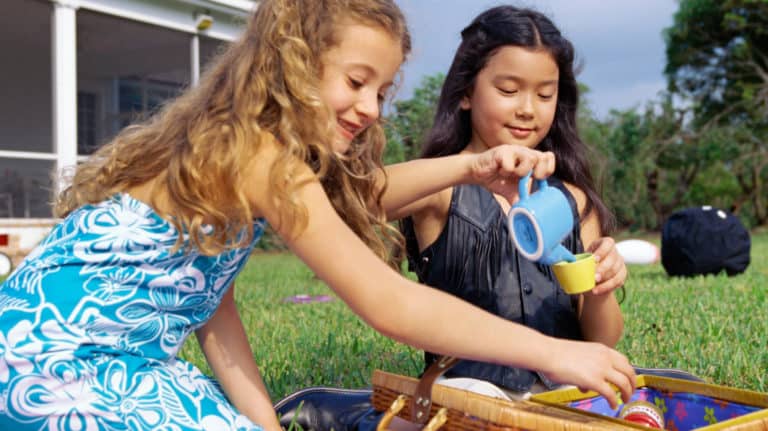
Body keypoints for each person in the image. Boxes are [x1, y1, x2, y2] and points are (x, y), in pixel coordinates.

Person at [0, 1, 635, 430]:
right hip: (46, 362)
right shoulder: (257, 155)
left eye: (381, 92)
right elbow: (390, 302)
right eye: (356, 82)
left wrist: (264, 424)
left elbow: (210, 313)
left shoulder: (232, 164)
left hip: (119, 360)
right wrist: (552, 352)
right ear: (294, 63)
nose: (371, 108)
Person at [397, 5, 628, 400]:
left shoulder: (570, 201)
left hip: (560, 391)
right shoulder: (443, 190)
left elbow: (601, 341)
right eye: (508, 90)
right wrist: (469, 167)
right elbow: (361, 197)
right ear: (467, 91)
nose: (527, 108)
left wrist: (601, 288)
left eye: (544, 94)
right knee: (474, 404)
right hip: (470, 388)